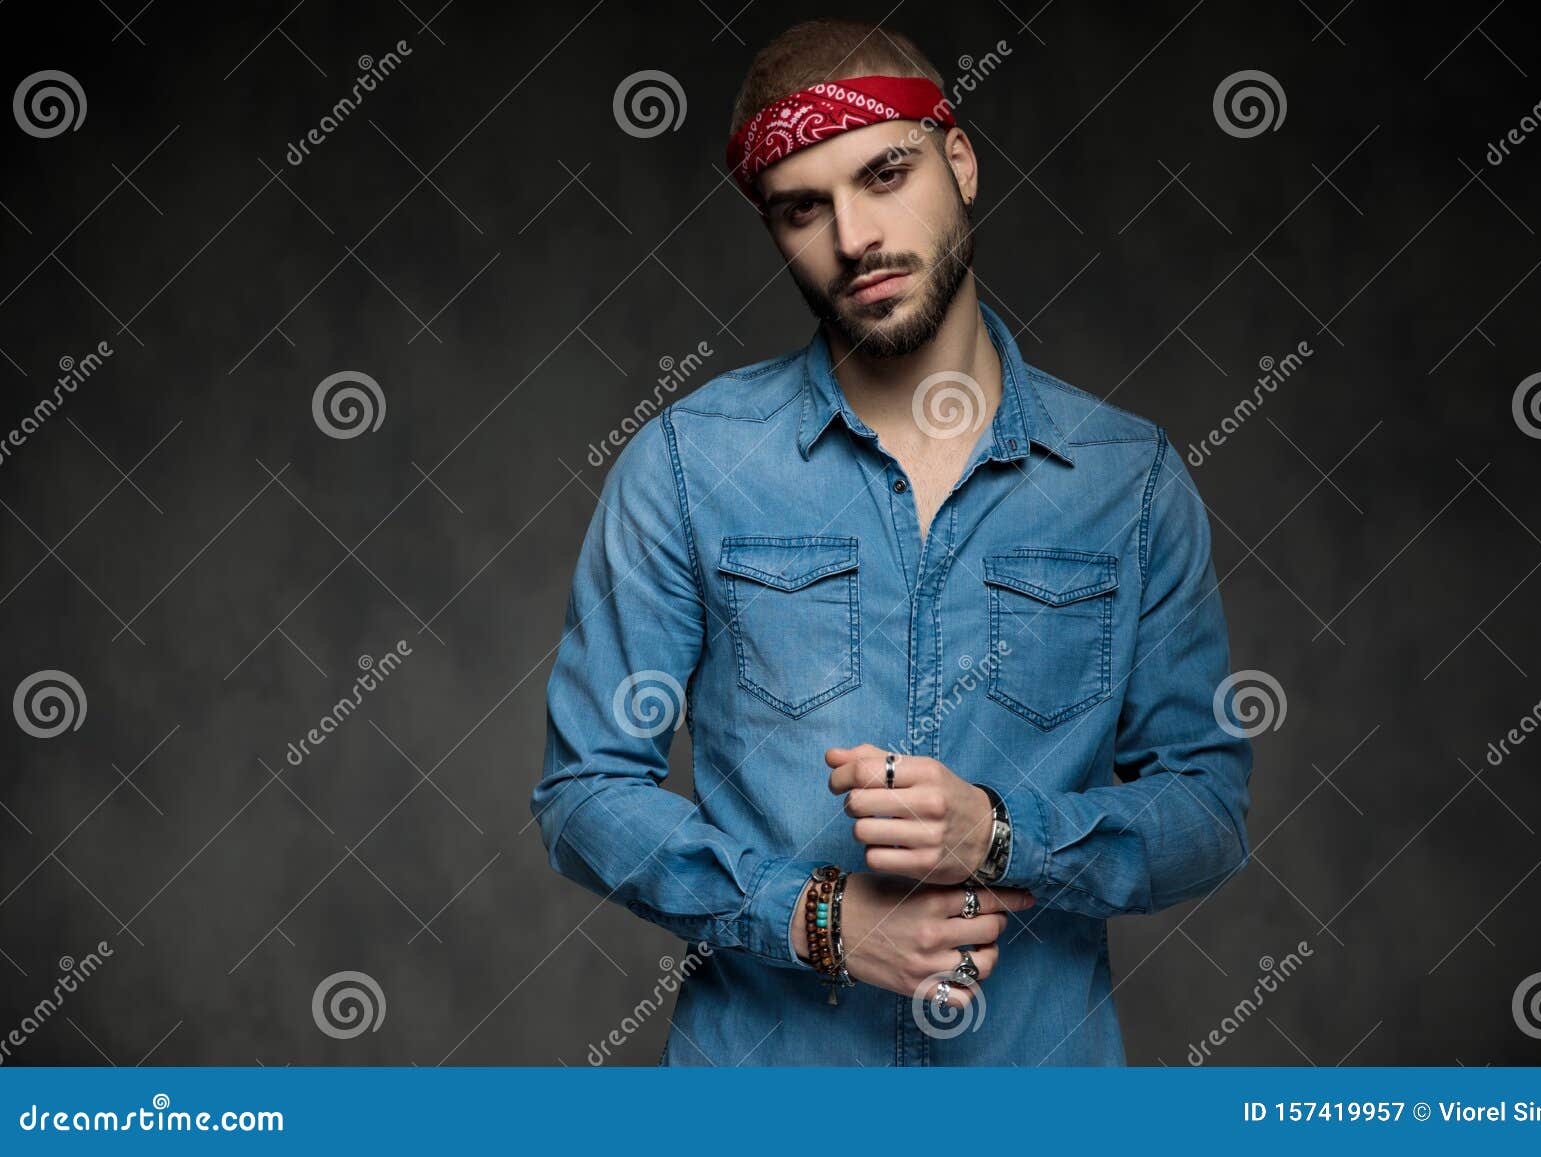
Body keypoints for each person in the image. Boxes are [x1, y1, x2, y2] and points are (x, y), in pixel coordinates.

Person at [533, 17, 1252, 1065]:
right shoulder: (689, 464)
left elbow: (1208, 807)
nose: (854, 236)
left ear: (957, 161)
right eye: (802, 209)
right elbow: (584, 791)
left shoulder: (1126, 480)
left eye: (883, 175)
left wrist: (1004, 834)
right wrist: (815, 917)